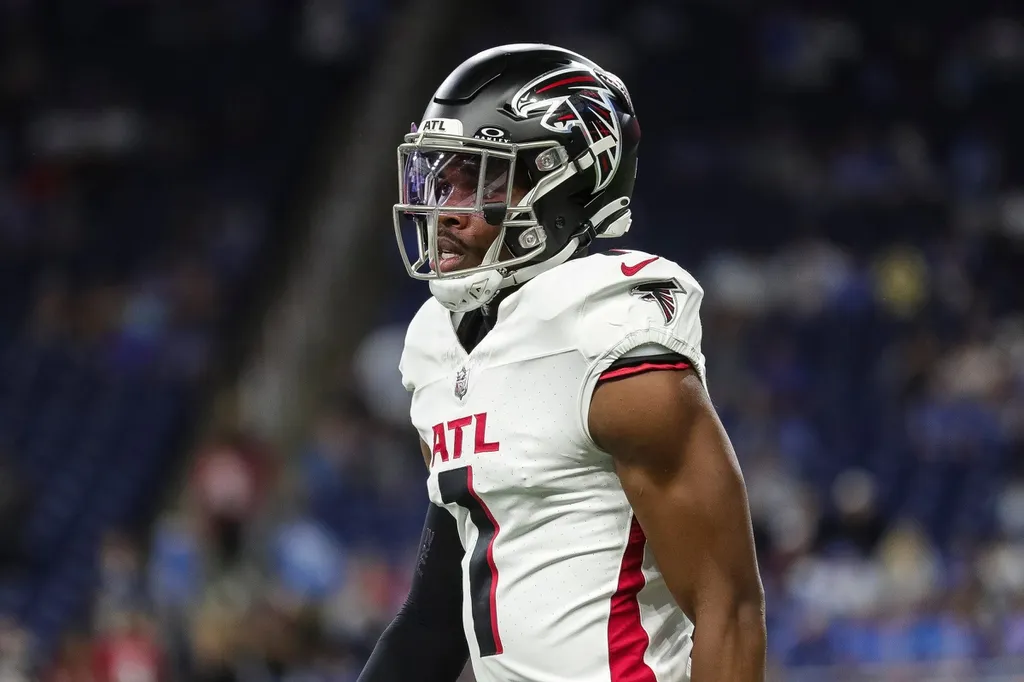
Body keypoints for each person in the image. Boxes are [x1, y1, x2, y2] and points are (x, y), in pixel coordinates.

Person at [359, 43, 766, 682]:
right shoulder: (438, 344)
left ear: (563, 186)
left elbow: (730, 610)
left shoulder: (609, 338)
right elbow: (435, 617)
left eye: (480, 178)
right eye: (443, 176)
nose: (447, 208)